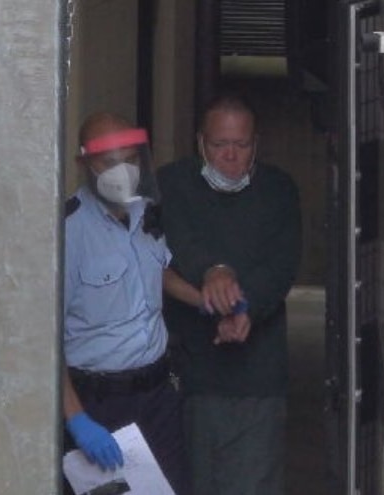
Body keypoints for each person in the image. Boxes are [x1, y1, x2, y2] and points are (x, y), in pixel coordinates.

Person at [158, 94, 302, 495]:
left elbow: (281, 265)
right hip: (187, 373)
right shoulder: (170, 185)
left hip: (258, 377)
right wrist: (213, 271)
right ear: (200, 143)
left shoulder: (278, 190)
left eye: (241, 145)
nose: (231, 156)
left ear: (256, 145)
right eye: (221, 145)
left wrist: (245, 307)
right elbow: (166, 250)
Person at [63, 112, 201, 494]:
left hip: (156, 397)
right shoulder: (69, 233)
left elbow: (158, 270)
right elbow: (43, 339)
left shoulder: (144, 211)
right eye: (108, 163)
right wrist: (77, 419)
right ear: (84, 164)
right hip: (98, 404)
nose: (121, 171)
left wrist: (203, 300)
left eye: (130, 159)